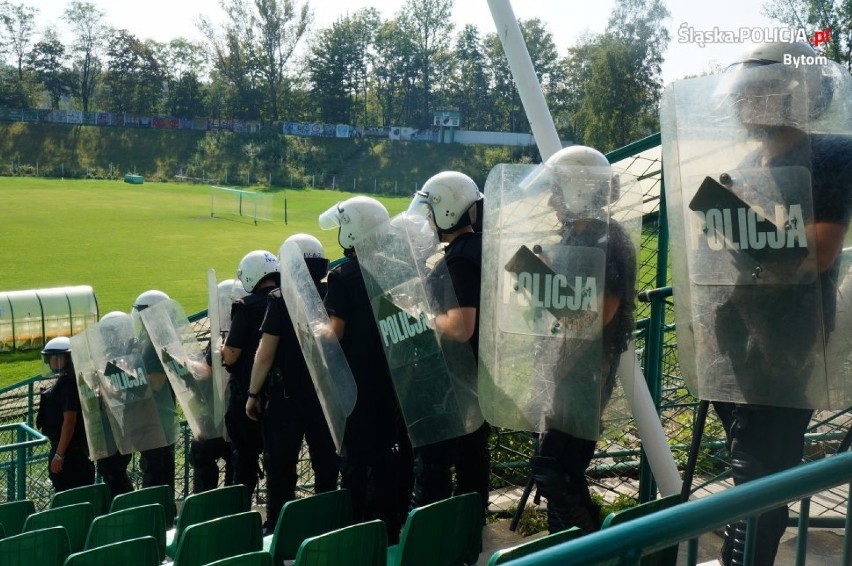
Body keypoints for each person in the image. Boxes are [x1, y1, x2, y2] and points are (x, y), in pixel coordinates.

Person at [662, 41, 852, 565]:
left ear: (797, 94)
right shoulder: (748, 162)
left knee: (761, 471)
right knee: (748, 462)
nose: (746, 104)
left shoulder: (830, 153)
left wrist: (750, 228)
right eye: (743, 94)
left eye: (758, 91)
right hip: (736, 332)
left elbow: (820, 249)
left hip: (789, 335)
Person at [524, 146, 637, 535]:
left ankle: (587, 548)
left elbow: (597, 316)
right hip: (565, 362)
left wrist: (546, 283)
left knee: (555, 468)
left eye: (558, 190)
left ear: (579, 190)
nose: (552, 200)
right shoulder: (572, 238)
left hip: (589, 370)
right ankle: (576, 548)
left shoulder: (610, 242)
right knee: (559, 470)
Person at [318, 196, 414, 544]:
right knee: (392, 456)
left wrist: (313, 328)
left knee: (357, 460)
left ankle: (359, 529)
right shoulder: (397, 268)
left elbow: (334, 332)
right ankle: (391, 526)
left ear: (354, 231)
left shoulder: (342, 276)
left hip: (358, 383)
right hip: (396, 379)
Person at [406, 171, 491, 517]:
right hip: (479, 372)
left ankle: (432, 534)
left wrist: (421, 316)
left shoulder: (459, 258)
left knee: (436, 465)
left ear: (447, 210)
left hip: (455, 378)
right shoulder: (482, 247)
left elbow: (460, 326)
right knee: (473, 454)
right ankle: (469, 529)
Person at [246, 234, 338, 532]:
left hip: (287, 398)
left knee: (281, 467)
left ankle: (280, 527)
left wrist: (252, 393)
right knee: (327, 463)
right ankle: (326, 524)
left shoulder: (282, 298)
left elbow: (265, 353)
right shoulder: (333, 292)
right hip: (326, 395)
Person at [222, 250, 280, 504]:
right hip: (280, 395)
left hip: (247, 396)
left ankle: (239, 513)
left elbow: (231, 354)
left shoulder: (245, 307)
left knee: (244, 459)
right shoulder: (285, 300)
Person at [131, 289, 178, 489]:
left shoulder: (157, 346)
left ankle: (156, 516)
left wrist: (123, 380)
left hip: (156, 422)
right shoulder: (154, 342)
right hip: (157, 421)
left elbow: (156, 383)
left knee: (155, 475)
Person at [36, 336, 95, 492]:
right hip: (78, 450)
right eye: (50, 357)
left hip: (70, 454)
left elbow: (69, 421)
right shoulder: (73, 379)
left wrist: (59, 455)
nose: (52, 361)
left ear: (68, 358)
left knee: (68, 494)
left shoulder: (68, 384)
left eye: (57, 357)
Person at [92, 311, 135, 497]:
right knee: (110, 472)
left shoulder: (130, 357)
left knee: (113, 472)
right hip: (110, 425)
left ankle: (126, 507)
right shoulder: (115, 355)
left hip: (121, 425)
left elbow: (129, 388)